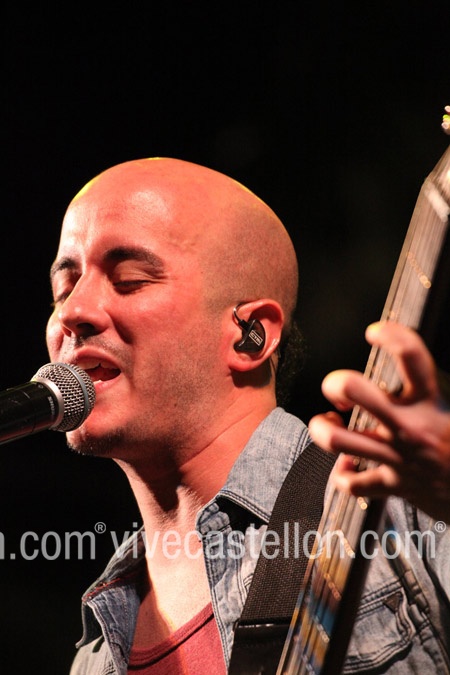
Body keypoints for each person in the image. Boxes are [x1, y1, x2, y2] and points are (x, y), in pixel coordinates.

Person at [46, 157, 450, 674]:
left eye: (130, 279)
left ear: (249, 336)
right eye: (64, 288)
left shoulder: (397, 503)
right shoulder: (94, 653)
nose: (72, 312)